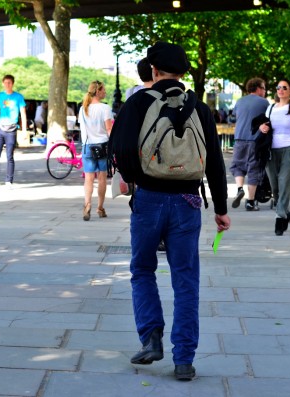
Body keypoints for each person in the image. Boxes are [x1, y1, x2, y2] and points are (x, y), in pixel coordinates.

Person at [109, 42, 230, 381]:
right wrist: (221, 209)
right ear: (182, 72)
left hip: (148, 198)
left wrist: (131, 181)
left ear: (154, 70)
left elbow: (119, 148)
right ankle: (184, 360)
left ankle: (151, 336)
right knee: (186, 279)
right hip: (189, 202)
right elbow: (215, 164)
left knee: (143, 268)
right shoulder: (200, 108)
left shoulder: (138, 102)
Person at [258, 78, 290, 235]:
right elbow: (264, 123)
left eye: (285, 88)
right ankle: (285, 211)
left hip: (288, 149)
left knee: (284, 182)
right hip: (271, 150)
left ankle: (280, 218)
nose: (280, 90)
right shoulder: (271, 108)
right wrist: (262, 127)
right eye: (278, 87)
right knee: (275, 186)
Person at [229, 77, 269, 211]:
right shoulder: (264, 103)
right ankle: (250, 202)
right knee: (254, 169)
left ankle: (240, 188)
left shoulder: (239, 101)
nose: (264, 91)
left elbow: (234, 117)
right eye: (263, 88)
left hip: (239, 138)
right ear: (258, 88)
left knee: (237, 166)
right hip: (255, 140)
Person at [78, 80, 113, 221]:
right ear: (97, 91)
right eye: (103, 90)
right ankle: (100, 208)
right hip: (103, 146)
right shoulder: (105, 108)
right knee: (102, 177)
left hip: (88, 146)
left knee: (88, 178)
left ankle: (87, 205)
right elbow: (109, 129)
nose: (105, 92)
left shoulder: (83, 108)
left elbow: (83, 131)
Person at [0, 74, 27, 189]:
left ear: (12, 84)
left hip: (11, 129)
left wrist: (24, 130)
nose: (7, 85)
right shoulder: (0, 96)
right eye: (5, 83)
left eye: (9, 83)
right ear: (3, 83)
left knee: (9, 156)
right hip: (0, 128)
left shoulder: (18, 97)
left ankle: (8, 181)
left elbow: (23, 113)